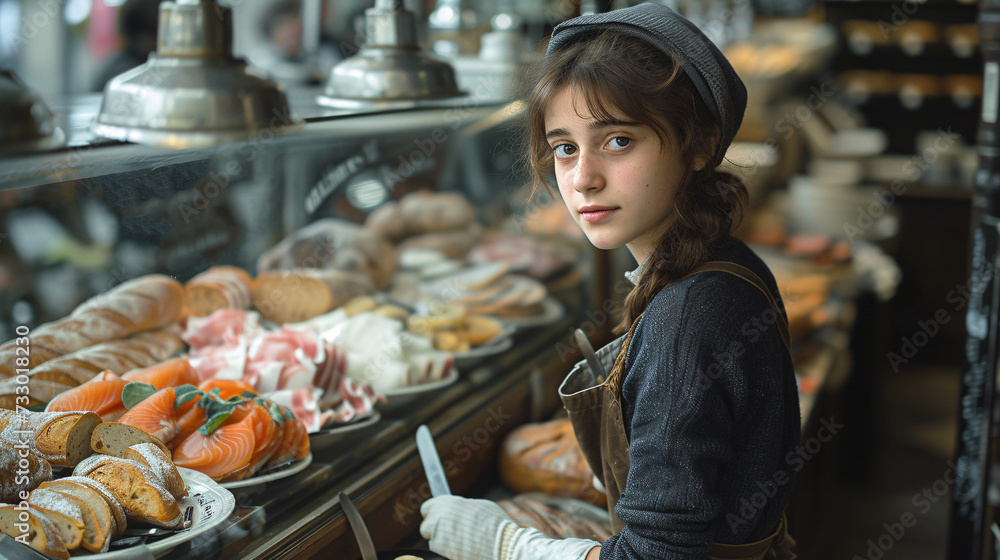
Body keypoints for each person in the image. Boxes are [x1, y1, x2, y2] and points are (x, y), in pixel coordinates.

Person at [419, 3, 801, 560]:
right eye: (565, 148)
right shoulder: (724, 263)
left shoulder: (689, 316)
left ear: (697, 144)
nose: (583, 177)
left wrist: (505, 543)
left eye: (618, 140)